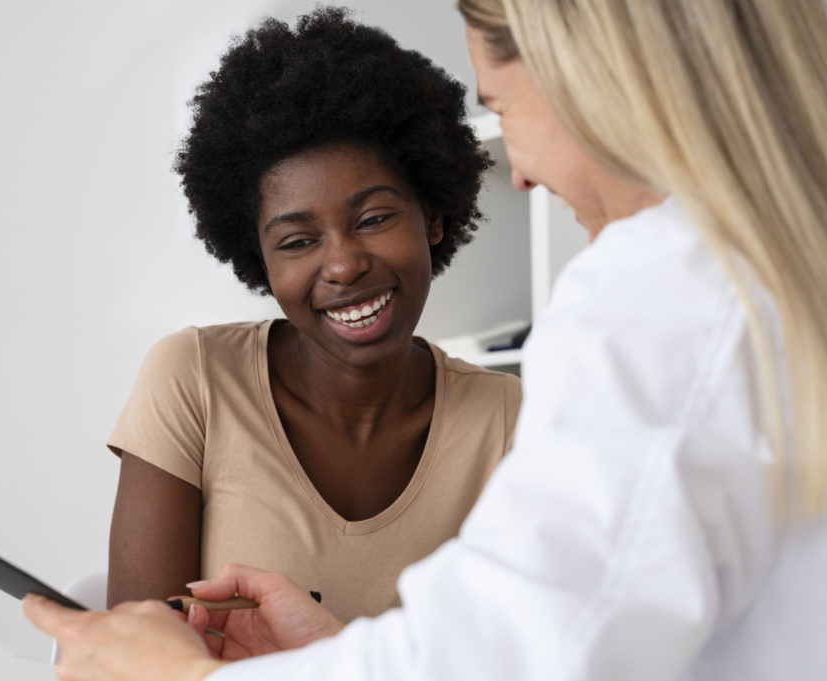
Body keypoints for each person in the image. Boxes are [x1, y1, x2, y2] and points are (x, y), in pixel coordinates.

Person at [24, 0, 827, 679]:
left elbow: (537, 648)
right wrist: (337, 653)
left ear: (588, 80)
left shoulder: (658, 297)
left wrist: (196, 679)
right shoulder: (760, 278)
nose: (516, 171)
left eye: (505, 106)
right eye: (297, 238)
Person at [103, 6, 522, 624]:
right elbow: (141, 653)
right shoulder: (193, 379)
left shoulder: (509, 421)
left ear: (432, 216)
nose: (344, 265)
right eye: (298, 241)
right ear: (261, 262)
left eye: (374, 219)